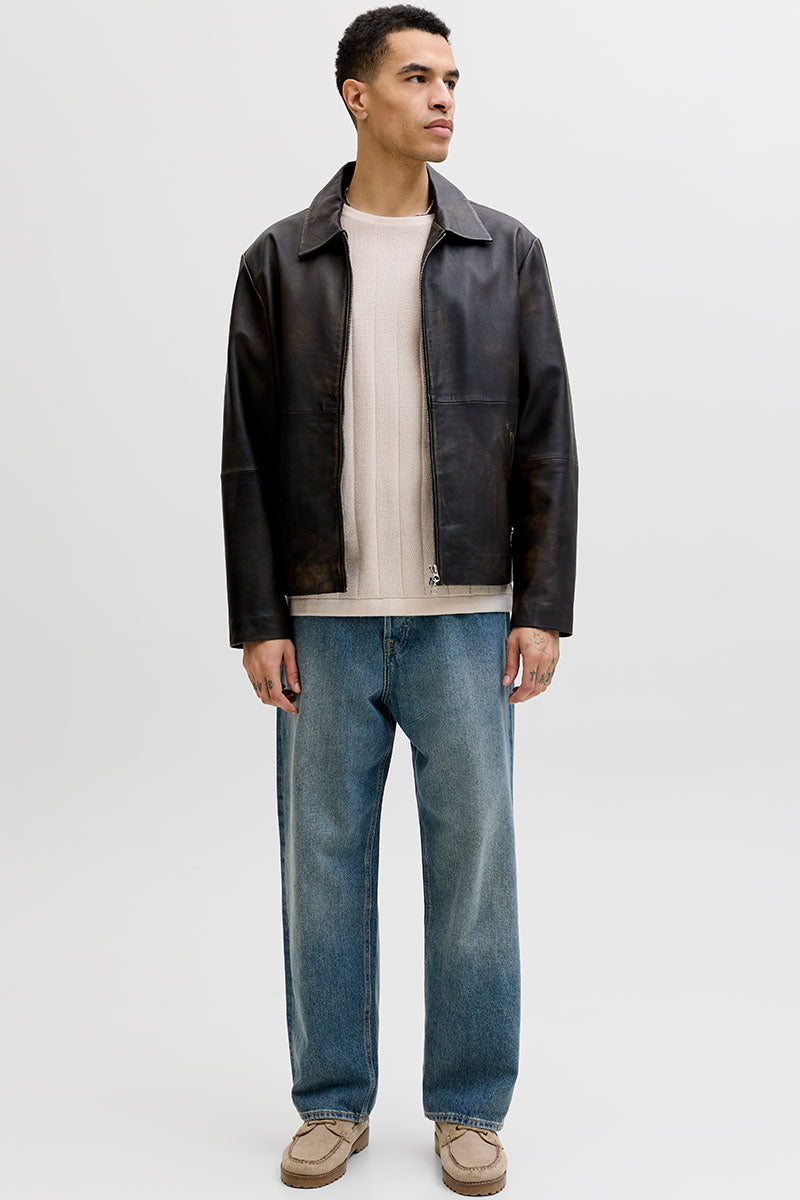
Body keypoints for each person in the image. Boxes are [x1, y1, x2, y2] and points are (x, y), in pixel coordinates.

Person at [220, 5, 579, 1193]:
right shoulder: (279, 261)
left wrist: (540, 604)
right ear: (355, 95)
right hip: (321, 625)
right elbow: (245, 456)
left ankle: (468, 1106)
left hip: (467, 616)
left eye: (452, 80)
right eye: (417, 77)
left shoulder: (504, 251)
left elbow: (546, 438)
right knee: (320, 872)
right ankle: (331, 1103)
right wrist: (259, 619)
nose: (442, 99)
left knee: (473, 874)